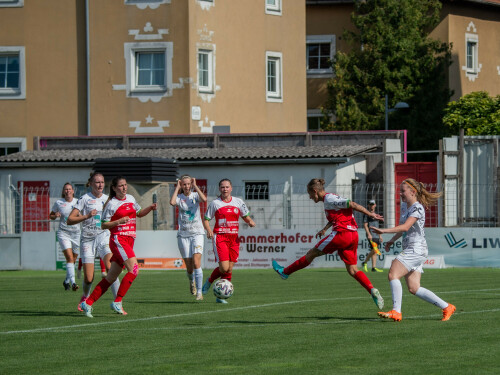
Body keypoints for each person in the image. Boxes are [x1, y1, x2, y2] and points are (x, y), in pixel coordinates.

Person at [272, 178, 385, 309]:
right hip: (353, 235)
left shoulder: (329, 199)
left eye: (309, 194)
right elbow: (338, 215)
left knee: (312, 253)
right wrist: (325, 229)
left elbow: (352, 204)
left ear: (315, 191)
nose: (309, 197)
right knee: (353, 270)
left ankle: (285, 272)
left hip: (342, 234)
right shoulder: (330, 200)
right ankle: (372, 290)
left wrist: (371, 214)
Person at [371, 178, 456, 322]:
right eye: (400, 191)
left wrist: (383, 231)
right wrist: (392, 240)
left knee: (393, 274)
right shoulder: (405, 206)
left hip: (416, 249)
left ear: (413, 192)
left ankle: (396, 311)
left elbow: (404, 227)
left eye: (403, 191)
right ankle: (447, 307)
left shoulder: (417, 208)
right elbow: (404, 227)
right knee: (414, 288)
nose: (400, 194)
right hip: (414, 249)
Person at [80, 176, 157, 317]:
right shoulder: (111, 204)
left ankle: (88, 303)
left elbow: (139, 213)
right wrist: (119, 221)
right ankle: (118, 301)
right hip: (118, 240)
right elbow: (103, 224)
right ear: (114, 188)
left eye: (125, 185)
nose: (124, 188)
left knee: (110, 278)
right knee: (134, 270)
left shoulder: (131, 199)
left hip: (129, 241)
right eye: (121, 186)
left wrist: (150, 208)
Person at [67, 172, 120, 312]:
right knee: (89, 278)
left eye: (102, 182)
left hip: (104, 237)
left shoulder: (108, 199)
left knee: (111, 268)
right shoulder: (84, 199)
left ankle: (118, 302)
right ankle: (85, 296)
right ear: (91, 184)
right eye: (97, 182)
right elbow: (70, 220)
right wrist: (86, 216)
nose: (100, 185)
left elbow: (114, 217)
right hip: (88, 239)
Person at [201, 178, 256, 303]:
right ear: (219, 189)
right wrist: (209, 230)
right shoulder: (215, 203)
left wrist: (250, 222)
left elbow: (245, 216)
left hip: (234, 238)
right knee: (224, 267)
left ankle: (220, 297)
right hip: (220, 237)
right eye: (222, 187)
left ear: (231, 188)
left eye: (227, 187)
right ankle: (209, 281)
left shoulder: (238, 201)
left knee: (229, 269)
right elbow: (206, 219)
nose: (225, 189)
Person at [170, 175, 207, 301]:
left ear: (191, 184)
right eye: (184, 184)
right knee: (189, 266)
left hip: (197, 233)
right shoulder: (179, 197)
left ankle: (199, 293)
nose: (186, 186)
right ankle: (192, 282)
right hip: (183, 235)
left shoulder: (195, 195)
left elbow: (204, 198)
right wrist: (177, 188)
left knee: (197, 262)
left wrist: (196, 185)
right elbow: (172, 202)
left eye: (188, 184)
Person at [49, 183, 81, 291]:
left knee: (74, 259)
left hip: (76, 233)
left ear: (73, 191)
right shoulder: (59, 202)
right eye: (65, 189)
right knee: (69, 258)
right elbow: (51, 215)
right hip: (64, 233)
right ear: (63, 191)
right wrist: (55, 215)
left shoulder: (78, 202)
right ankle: (73, 283)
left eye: (69, 189)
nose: (67, 191)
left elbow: (82, 216)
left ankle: (66, 281)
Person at [361, 199, 384, 273]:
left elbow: (377, 226)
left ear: (375, 205)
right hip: (371, 234)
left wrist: (380, 235)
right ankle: (365, 262)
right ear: (368, 205)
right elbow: (365, 225)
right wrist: (369, 234)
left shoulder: (376, 214)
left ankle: (373, 267)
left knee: (374, 251)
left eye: (373, 204)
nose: (371, 206)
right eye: (370, 204)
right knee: (375, 249)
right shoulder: (366, 214)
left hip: (376, 234)